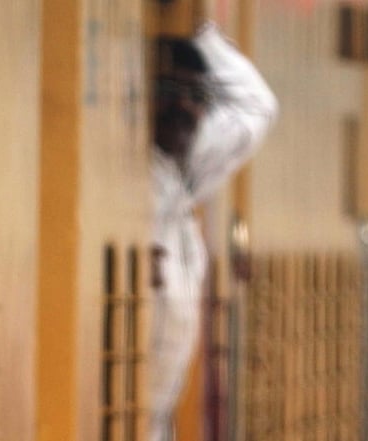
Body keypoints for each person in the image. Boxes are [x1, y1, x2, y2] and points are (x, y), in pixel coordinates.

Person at [147, 22, 277, 441]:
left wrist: (196, 30)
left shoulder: (184, 173)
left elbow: (255, 107)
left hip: (151, 417)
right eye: (169, 92)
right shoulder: (128, 176)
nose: (185, 108)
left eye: (198, 97)